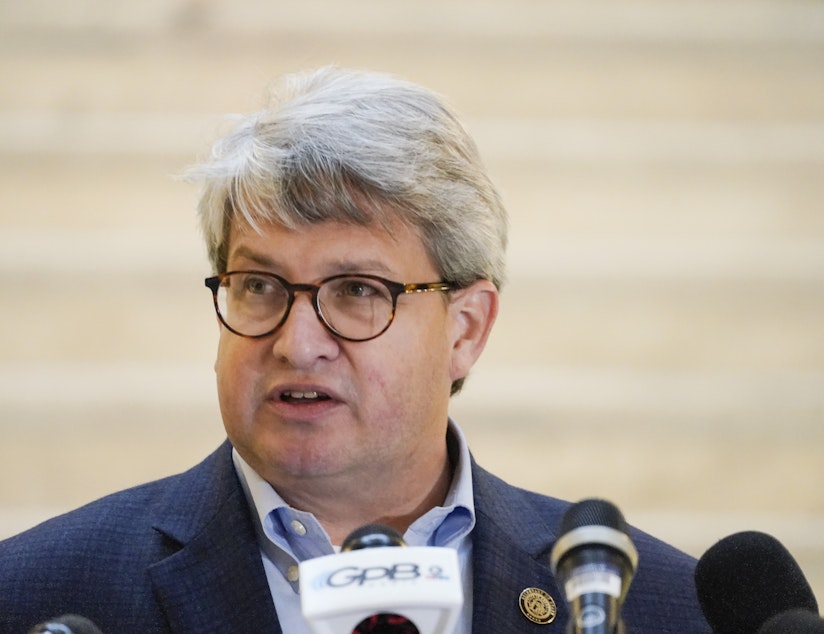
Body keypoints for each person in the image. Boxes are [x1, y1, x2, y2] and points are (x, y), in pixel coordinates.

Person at [0, 66, 709, 633]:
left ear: (465, 328)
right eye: (258, 285)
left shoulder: (664, 608)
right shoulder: (36, 594)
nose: (297, 343)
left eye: (357, 290)